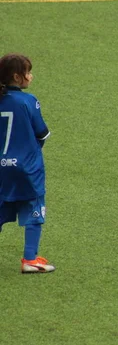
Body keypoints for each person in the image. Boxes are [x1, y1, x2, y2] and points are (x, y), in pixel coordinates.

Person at [0, 53, 55, 273]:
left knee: (2, 206)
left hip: (1, 166)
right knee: (34, 205)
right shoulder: (28, 101)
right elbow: (42, 132)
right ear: (17, 76)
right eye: (28, 72)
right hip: (26, 166)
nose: (31, 76)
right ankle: (30, 260)